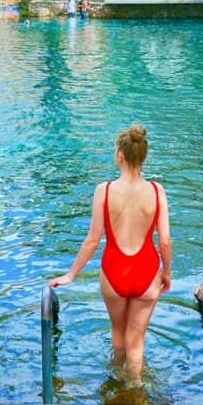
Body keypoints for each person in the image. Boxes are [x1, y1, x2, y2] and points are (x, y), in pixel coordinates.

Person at [50, 125, 173, 382]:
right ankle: (135, 388)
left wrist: (71, 275)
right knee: (136, 340)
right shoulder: (157, 191)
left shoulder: (103, 190)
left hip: (114, 270)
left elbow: (93, 239)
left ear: (120, 156)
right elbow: (166, 241)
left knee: (118, 332)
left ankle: (115, 381)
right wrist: (167, 273)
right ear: (144, 157)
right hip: (147, 269)